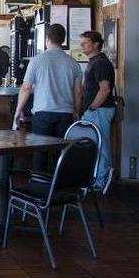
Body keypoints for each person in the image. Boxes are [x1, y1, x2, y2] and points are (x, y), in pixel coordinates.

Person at [12, 23, 83, 171]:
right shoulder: (73, 63)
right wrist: (76, 112)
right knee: (62, 153)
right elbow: (78, 92)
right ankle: (59, 188)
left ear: (47, 39)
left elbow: (26, 88)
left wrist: (18, 112)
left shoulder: (36, 61)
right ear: (62, 40)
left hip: (43, 114)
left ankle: (39, 187)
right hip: (65, 114)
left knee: (40, 152)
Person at [80, 30, 116, 188]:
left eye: (85, 42)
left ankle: (102, 181)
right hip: (95, 111)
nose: (82, 45)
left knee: (101, 145)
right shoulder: (93, 61)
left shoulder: (100, 62)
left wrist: (92, 107)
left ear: (96, 44)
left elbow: (105, 89)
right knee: (94, 145)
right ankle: (97, 179)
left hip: (100, 111)